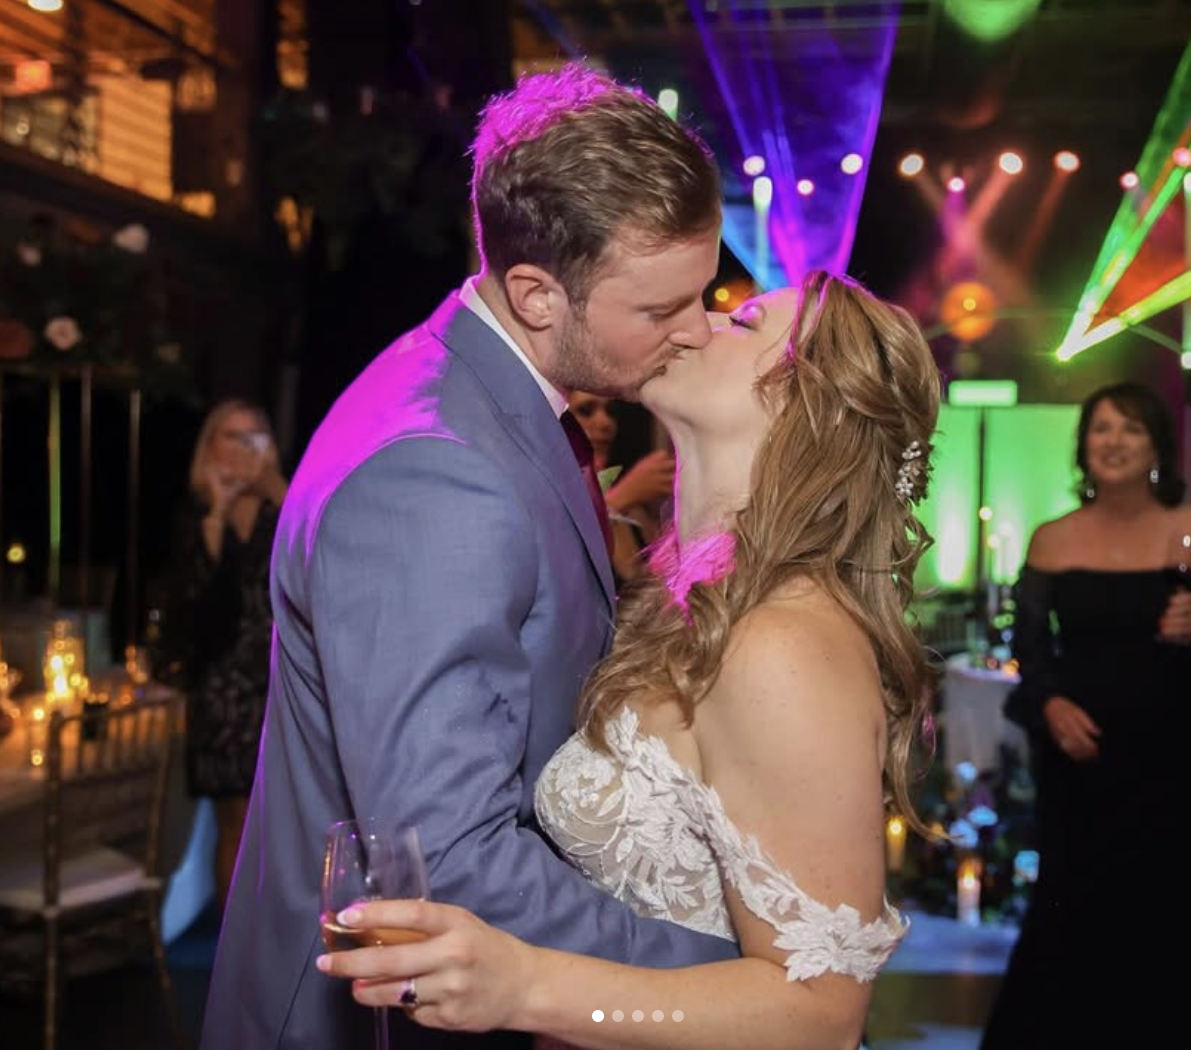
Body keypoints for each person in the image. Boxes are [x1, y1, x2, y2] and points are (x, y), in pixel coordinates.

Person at [201, 64, 739, 1050]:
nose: (697, 331)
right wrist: (721, 979)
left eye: (703, 295)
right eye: (661, 310)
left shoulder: (490, 399)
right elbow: (448, 858)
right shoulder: (436, 478)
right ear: (537, 293)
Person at [317, 270, 940, 1049]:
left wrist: (533, 988)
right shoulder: (683, 600)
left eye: (742, 324)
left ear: (805, 408)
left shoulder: (784, 644)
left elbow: (819, 1015)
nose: (696, 324)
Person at [978, 381, 1191, 1050]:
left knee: (1167, 912)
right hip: (1079, 759)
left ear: (1156, 446)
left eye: (1130, 428)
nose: (1113, 441)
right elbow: (1030, 652)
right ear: (1083, 446)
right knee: (1070, 907)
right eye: (1101, 429)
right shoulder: (1053, 538)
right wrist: (1054, 705)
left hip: (1173, 764)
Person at [154, 399, 286, 914]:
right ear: (210, 445)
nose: (242, 449)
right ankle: (233, 947)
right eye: (231, 436)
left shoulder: (287, 501)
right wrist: (214, 523)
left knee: (280, 823)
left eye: (255, 436)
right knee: (235, 824)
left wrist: (279, 488)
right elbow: (191, 615)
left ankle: (274, 939)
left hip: (279, 684)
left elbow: (317, 559)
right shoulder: (196, 512)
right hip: (222, 692)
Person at [566, 391, 675, 583]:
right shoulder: (544, 497)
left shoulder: (633, 510)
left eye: (610, 411)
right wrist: (620, 498)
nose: (604, 422)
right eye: (586, 411)